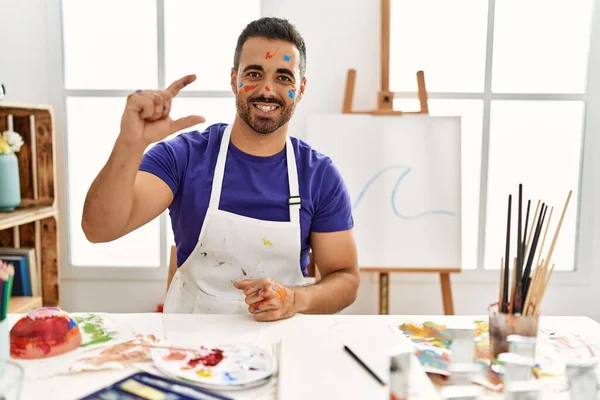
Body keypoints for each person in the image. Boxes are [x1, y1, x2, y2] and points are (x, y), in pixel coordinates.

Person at [81, 17, 359, 321]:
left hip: (280, 347)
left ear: (301, 87)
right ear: (233, 79)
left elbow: (345, 278)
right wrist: (129, 144)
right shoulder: (185, 156)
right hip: (189, 348)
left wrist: (294, 299)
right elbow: (98, 230)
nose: (267, 90)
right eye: (254, 73)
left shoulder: (319, 176)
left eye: (283, 77)